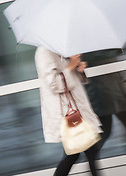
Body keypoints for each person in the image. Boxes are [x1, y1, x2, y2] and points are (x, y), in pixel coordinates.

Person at [34, 46, 102, 176]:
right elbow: (55, 84)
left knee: (86, 152)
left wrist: (78, 69)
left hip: (77, 109)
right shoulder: (44, 52)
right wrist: (71, 65)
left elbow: (71, 78)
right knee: (75, 154)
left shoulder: (59, 47)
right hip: (67, 113)